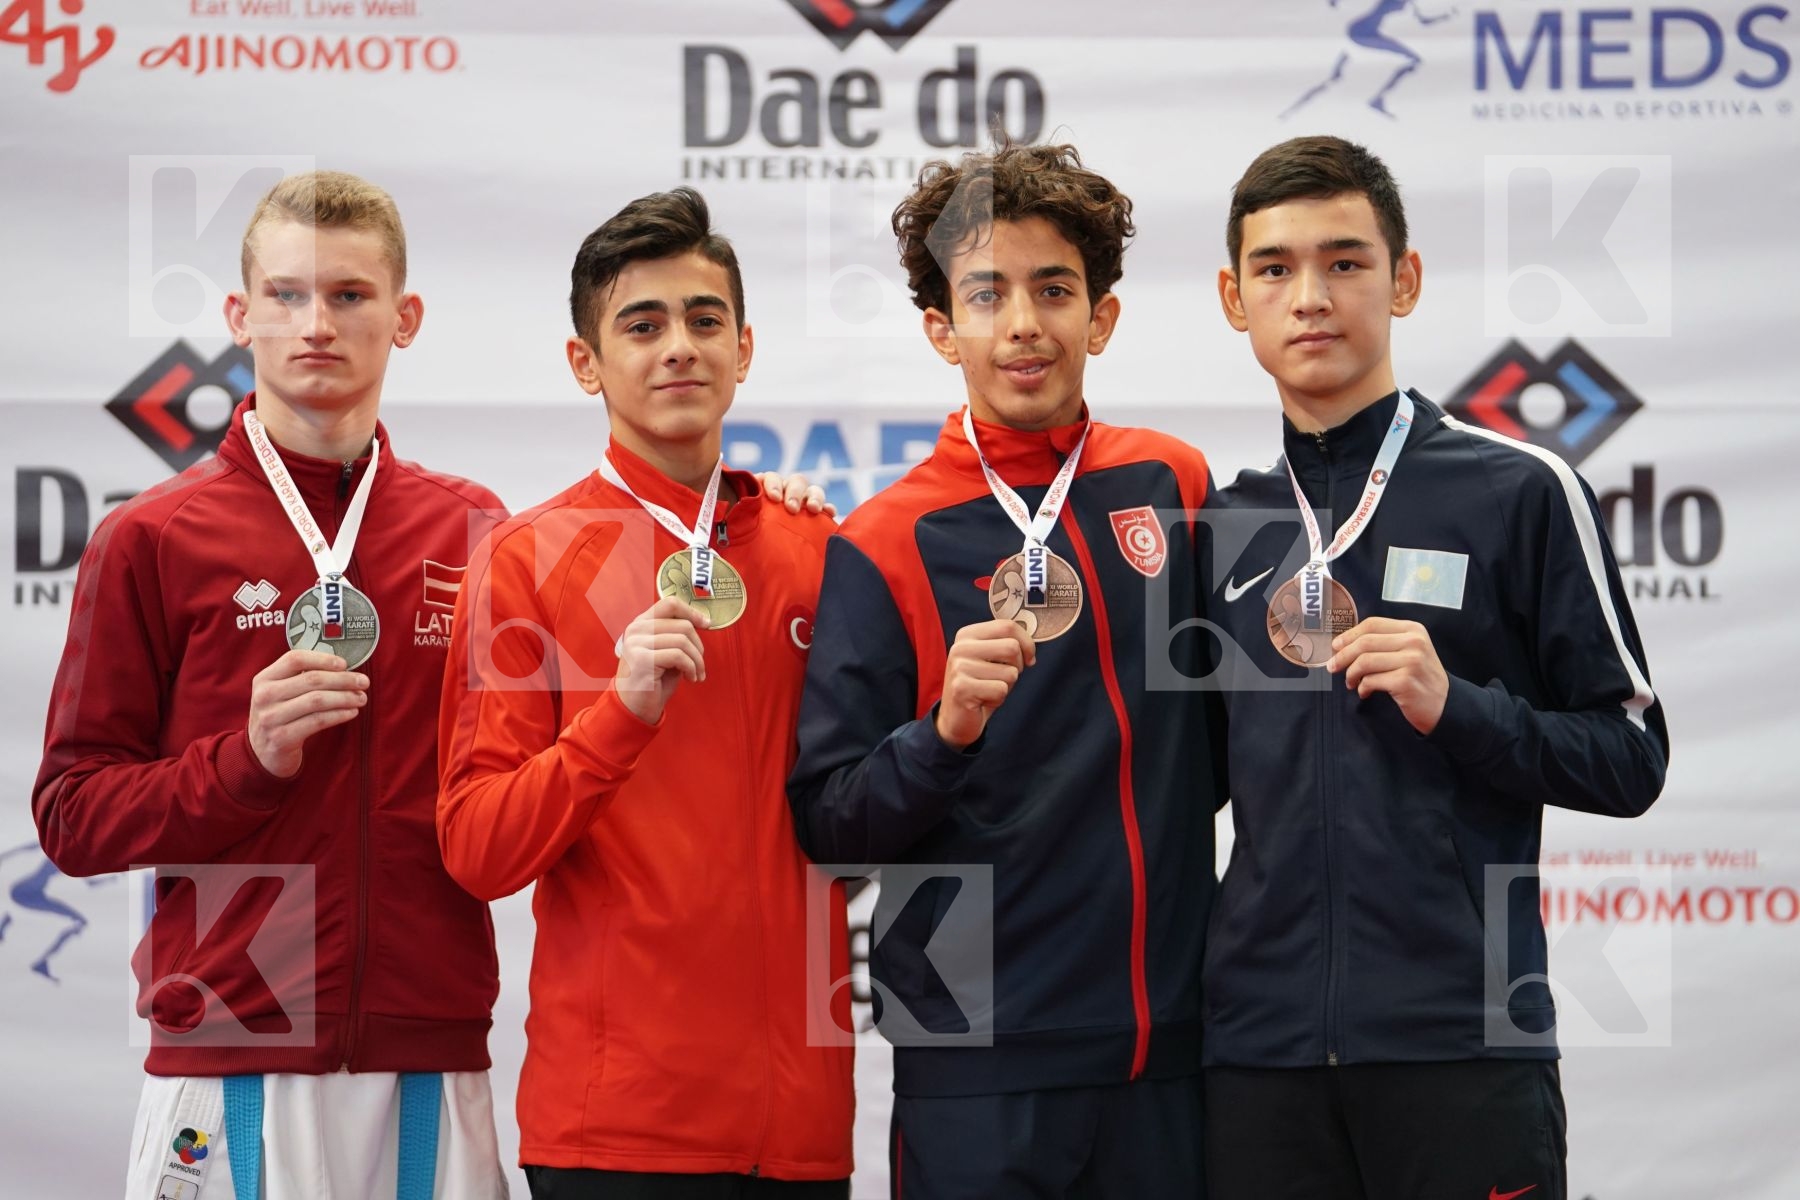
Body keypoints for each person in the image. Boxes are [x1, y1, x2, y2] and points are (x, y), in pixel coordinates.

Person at [1202, 134, 1669, 1200]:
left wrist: (1459, 708)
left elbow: (1633, 756)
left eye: (1346, 262)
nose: (1310, 296)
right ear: (1235, 299)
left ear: (1403, 280)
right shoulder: (1223, 526)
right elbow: (1181, 788)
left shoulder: (1518, 490)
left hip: (1463, 1043)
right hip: (1257, 1061)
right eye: (1275, 270)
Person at [33, 171, 512, 1199]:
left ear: (405, 317)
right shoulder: (149, 538)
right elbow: (71, 817)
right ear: (240, 316)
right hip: (235, 1040)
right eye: (288, 296)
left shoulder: (473, 528)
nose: (317, 324)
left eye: (349, 295)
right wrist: (241, 765)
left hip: (426, 1043)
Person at [787, 141, 1223, 1198]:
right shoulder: (885, 538)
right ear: (943, 328)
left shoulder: (1175, 482)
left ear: (1102, 317)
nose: (1023, 322)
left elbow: (1218, 750)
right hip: (975, 1061)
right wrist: (941, 737)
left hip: (1169, 1049)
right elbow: (830, 822)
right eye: (986, 293)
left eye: (1054, 289)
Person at [436, 187, 854, 1200]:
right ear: (587, 363)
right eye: (643, 324)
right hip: (616, 1132)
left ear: (744, 348)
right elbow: (477, 849)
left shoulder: (818, 550)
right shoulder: (527, 559)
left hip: (802, 1125)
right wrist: (616, 715)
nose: (680, 347)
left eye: (705, 321)